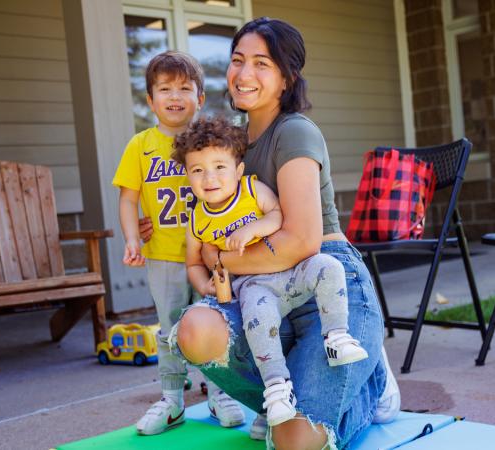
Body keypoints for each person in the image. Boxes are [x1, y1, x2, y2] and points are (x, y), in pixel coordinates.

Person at [170, 18, 401, 450]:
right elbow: (200, 209)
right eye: (238, 60)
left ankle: (370, 383)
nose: (243, 74)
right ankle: (284, 396)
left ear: (286, 77)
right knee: (195, 331)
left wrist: (219, 261)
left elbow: (301, 241)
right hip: (260, 291)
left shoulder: (293, 131)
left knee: (293, 444)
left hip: (323, 286)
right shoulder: (229, 147)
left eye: (262, 63)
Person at [172, 116, 369, 427]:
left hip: (289, 273)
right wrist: (205, 285)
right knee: (257, 323)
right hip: (253, 286)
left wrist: (255, 228)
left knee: (327, 267)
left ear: (238, 170)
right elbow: (194, 262)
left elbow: (277, 214)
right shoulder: (197, 220)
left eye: (219, 167)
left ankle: (337, 335)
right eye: (198, 170)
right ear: (188, 176)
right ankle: (276, 390)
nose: (209, 177)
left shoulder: (251, 189)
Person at [112, 50, 245, 436]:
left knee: (217, 323)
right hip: (165, 256)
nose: (175, 96)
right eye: (165, 89)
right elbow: (128, 198)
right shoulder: (141, 145)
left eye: (185, 88)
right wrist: (133, 237)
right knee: (170, 328)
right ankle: (172, 399)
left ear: (200, 98)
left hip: (209, 254)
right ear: (150, 100)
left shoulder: (208, 142)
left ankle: (221, 393)